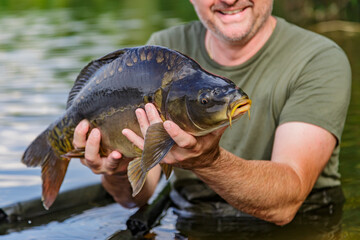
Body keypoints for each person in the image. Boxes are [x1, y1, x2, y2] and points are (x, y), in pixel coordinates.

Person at [72, 0, 351, 226]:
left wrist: (207, 161)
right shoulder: (161, 52)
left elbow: (286, 206)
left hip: (305, 226)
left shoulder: (319, 59)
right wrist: (116, 170)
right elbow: (136, 197)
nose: (229, 0)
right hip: (193, 223)